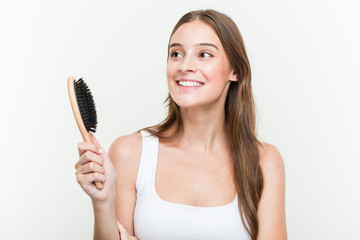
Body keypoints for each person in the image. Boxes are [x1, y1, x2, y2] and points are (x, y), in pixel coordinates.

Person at [75, 9, 287, 240]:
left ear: (234, 70)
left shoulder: (264, 161)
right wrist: (104, 202)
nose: (185, 65)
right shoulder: (130, 153)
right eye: (176, 53)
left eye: (204, 54)